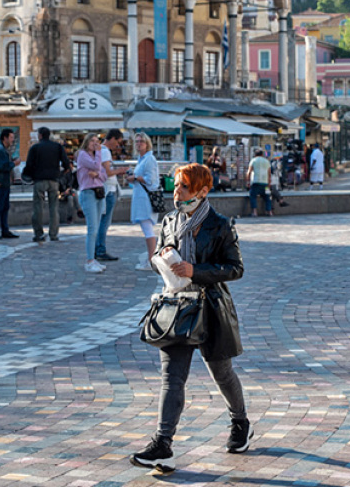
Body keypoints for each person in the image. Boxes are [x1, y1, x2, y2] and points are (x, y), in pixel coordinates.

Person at [130, 163, 251, 471]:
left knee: (221, 373)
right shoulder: (170, 220)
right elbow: (158, 254)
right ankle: (162, 444)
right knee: (172, 376)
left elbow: (234, 268)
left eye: (184, 187)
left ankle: (240, 423)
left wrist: (196, 270)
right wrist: (163, 258)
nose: (177, 193)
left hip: (210, 308)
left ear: (202, 191)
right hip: (178, 307)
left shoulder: (220, 224)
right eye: (175, 186)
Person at [23, 126, 71, 243]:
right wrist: (59, 174)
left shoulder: (35, 148)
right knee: (54, 208)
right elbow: (66, 165)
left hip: (39, 180)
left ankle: (38, 234)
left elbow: (29, 165)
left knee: (38, 208)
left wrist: (29, 176)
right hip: (54, 181)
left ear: (40, 135)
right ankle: (53, 234)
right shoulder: (57, 147)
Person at [95, 129, 129, 263]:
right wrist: (120, 170)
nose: (118, 146)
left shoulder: (100, 150)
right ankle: (100, 249)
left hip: (105, 189)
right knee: (104, 221)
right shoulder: (105, 151)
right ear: (113, 138)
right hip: (108, 190)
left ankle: (97, 248)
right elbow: (107, 172)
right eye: (118, 142)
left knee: (101, 221)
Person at [128, 132, 161, 268]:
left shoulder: (149, 159)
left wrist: (136, 178)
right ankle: (151, 259)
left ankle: (151, 261)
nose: (139, 143)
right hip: (140, 197)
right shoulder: (141, 159)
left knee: (148, 229)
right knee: (146, 228)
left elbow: (151, 180)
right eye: (136, 141)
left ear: (147, 143)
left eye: (141, 141)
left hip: (146, 199)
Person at [76, 135, 108, 273]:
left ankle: (93, 259)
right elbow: (96, 166)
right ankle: (89, 260)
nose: (95, 144)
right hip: (88, 193)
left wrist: (97, 174)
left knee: (97, 225)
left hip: (99, 192)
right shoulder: (83, 155)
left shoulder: (96, 157)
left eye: (97, 142)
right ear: (86, 142)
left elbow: (104, 176)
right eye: (92, 141)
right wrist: (99, 152)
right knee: (92, 228)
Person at [246, 149, 272, 217]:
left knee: (253, 195)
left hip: (256, 182)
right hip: (265, 183)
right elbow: (269, 174)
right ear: (262, 154)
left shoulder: (253, 160)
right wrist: (269, 183)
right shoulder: (267, 161)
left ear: (255, 155)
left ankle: (255, 212)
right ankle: (269, 211)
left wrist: (248, 182)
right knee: (267, 197)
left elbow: (249, 172)